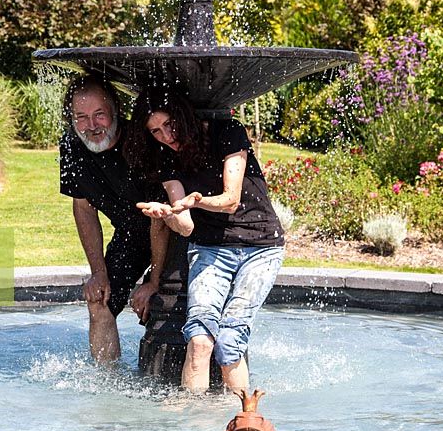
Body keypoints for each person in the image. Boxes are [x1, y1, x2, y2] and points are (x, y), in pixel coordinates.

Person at [125, 89, 285, 392]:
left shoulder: (228, 132)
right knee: (199, 340)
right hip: (210, 248)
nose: (164, 136)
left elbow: (231, 200)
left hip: (260, 247)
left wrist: (197, 201)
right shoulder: (165, 156)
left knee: (229, 339)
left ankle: (244, 424)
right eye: (155, 131)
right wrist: (167, 213)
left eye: (168, 124)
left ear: (183, 116)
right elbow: (185, 227)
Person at [59, 74, 168, 363]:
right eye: (81, 117)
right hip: (131, 235)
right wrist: (99, 273)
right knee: (99, 300)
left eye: (99, 115)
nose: (91, 126)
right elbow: (83, 208)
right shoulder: (72, 147)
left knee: (161, 304)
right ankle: (107, 386)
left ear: (115, 111)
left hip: (172, 232)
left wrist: (154, 280)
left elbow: (160, 219)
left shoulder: (143, 143)